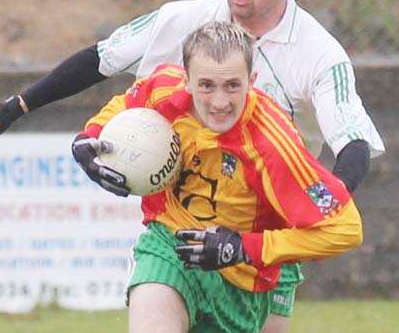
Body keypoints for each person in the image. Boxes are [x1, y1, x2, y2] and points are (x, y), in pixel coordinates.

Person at [0, 0, 384, 333]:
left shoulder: (320, 54)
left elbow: (352, 143)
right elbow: (103, 59)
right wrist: (19, 107)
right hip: (181, 218)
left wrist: (317, 205)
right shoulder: (184, 21)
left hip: (265, 226)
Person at [71, 21, 363, 333]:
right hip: (169, 245)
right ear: (186, 80)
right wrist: (90, 136)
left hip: (243, 277)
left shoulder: (272, 145)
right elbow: (127, 104)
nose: (220, 102)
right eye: (207, 85)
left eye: (232, 86)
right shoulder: (165, 89)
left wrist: (242, 247)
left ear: (252, 81)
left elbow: (345, 229)